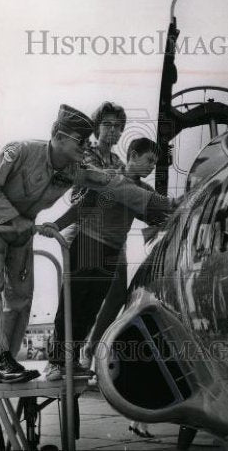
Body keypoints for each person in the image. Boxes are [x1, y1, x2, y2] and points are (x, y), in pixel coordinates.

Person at [0, 104, 159, 383]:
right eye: (80, 141)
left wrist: (162, 204)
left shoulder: (74, 168)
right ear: (58, 136)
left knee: (21, 295)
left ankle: (7, 357)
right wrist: (13, 218)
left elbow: (111, 184)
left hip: (23, 226)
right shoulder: (20, 151)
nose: (86, 145)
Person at [44, 137, 173, 380]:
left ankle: (72, 361)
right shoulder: (108, 178)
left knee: (91, 309)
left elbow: (154, 216)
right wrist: (56, 225)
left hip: (111, 253)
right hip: (87, 245)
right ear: (133, 155)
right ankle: (55, 362)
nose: (151, 167)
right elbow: (83, 206)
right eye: (149, 160)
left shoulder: (144, 191)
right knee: (71, 305)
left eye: (155, 163)